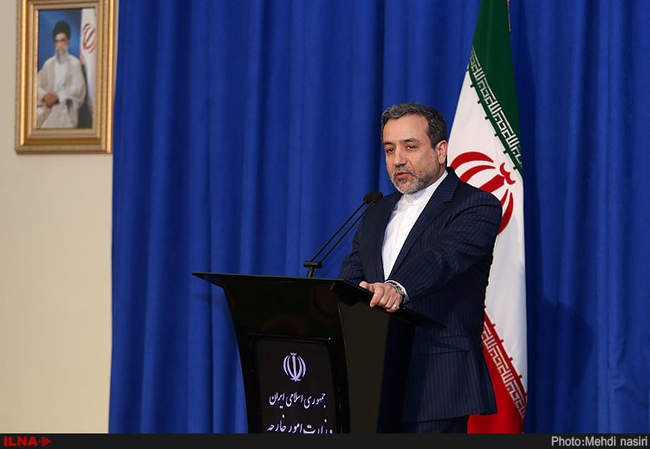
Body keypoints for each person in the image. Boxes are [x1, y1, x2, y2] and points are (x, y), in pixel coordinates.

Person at [339, 102, 501, 433]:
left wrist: (396, 288)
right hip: (371, 384)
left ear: (441, 151)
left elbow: (443, 259)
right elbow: (352, 277)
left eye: (410, 147)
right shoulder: (375, 212)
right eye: (389, 149)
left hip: (436, 383)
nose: (397, 159)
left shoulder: (476, 205)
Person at [36, 20, 86, 129]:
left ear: (68, 42)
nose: (60, 45)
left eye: (62, 40)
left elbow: (78, 89)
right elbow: (36, 85)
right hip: (47, 107)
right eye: (57, 41)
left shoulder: (74, 64)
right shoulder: (49, 63)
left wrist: (58, 97)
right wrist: (45, 96)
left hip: (65, 109)